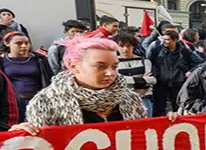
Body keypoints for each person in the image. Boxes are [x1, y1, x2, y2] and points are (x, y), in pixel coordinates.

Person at [9, 38, 178, 134]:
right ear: (74, 66)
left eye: (114, 66)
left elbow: (145, 140)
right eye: (100, 66)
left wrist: (169, 125)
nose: (110, 73)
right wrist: (21, 135)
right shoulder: (46, 102)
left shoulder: (130, 98)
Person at [0, 31, 53, 122]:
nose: (24, 46)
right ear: (7, 43)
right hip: (13, 104)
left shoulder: (39, 59)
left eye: (27, 43)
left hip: (37, 101)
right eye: (18, 43)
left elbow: (49, 78)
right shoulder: (2, 61)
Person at [149, 30, 197, 116]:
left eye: (167, 39)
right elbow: (149, 62)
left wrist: (190, 71)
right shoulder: (157, 50)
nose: (164, 41)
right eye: (163, 39)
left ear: (175, 40)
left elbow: (198, 62)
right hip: (160, 83)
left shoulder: (184, 51)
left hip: (178, 83)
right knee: (158, 108)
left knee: (178, 107)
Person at [114, 32, 157, 117]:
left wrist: (126, 80)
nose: (125, 49)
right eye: (121, 46)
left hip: (143, 99)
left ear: (133, 46)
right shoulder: (113, 62)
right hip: (122, 100)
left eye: (129, 46)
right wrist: (142, 80)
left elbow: (152, 80)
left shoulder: (144, 61)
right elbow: (115, 80)